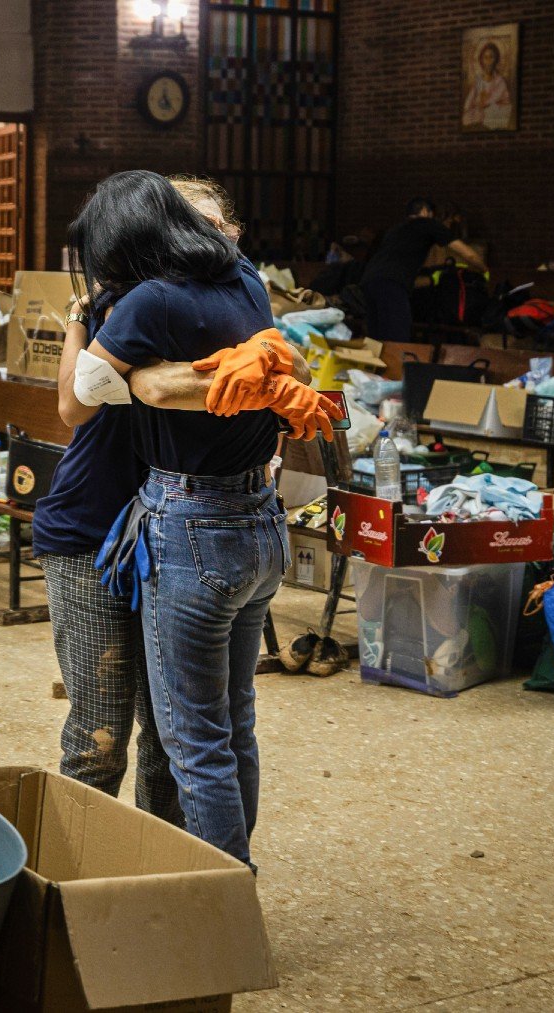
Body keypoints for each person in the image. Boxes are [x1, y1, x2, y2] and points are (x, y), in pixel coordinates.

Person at [59, 170, 340, 866]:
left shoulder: (148, 299)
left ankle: (218, 900)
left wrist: (151, 377)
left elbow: (84, 391)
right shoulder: (246, 281)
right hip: (258, 522)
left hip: (190, 526)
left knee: (192, 738)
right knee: (234, 720)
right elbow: (284, 366)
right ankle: (223, 877)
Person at [38, 175, 279, 827]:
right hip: (92, 529)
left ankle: (163, 878)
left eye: (215, 225)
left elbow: (271, 384)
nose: (205, 237)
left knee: (173, 741)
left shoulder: (233, 291)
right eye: (188, 222)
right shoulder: (125, 304)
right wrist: (92, 327)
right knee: (100, 736)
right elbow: (72, 406)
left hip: (174, 533)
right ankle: (75, 889)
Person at [358, 197, 486, 345]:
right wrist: (484, 269)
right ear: (425, 211)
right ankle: (400, 367)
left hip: (368, 282)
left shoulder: (395, 230)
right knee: (398, 338)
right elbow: (468, 254)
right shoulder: (429, 224)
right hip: (392, 284)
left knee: (377, 339)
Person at [462, 41, 514, 130]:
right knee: (467, 117)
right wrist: (468, 107)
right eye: (485, 57)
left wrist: (480, 103)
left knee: (489, 113)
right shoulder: (478, 80)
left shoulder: (499, 81)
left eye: (491, 57)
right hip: (481, 110)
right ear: (481, 60)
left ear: (496, 59)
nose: (488, 61)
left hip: (495, 110)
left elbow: (493, 99)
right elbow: (469, 100)